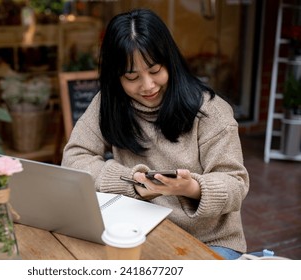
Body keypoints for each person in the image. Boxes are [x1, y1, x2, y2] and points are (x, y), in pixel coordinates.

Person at [61, 8, 249, 260]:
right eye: (132, 76)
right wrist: (132, 182)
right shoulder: (108, 103)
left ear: (170, 61)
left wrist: (191, 187)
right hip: (136, 232)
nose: (147, 85)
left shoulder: (210, 111)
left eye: (155, 70)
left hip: (210, 241)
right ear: (116, 78)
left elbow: (235, 184)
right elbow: (74, 158)